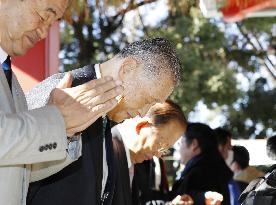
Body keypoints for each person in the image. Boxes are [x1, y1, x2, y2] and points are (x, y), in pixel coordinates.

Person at [27, 37, 182, 205]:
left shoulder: (106, 117)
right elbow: (16, 165)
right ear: (127, 69)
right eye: (148, 100)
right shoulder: (63, 92)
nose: (144, 113)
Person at [0, 1, 123, 205]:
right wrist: (57, 120)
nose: (43, 32)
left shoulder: (14, 86)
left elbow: (22, 171)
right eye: (43, 16)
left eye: (52, 22)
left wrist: (67, 132)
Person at [111, 100, 187, 205]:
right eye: (160, 144)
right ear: (141, 126)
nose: (158, 154)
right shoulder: (106, 154)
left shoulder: (131, 162)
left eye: (165, 149)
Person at [171, 123, 232, 205]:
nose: (179, 149)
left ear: (194, 144)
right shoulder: (214, 169)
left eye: (181, 143)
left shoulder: (200, 173)